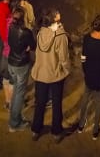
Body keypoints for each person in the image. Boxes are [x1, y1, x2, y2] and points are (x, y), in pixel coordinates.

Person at [31, 8, 72, 143]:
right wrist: (66, 70)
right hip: (55, 75)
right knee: (56, 103)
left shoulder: (41, 32)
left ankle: (36, 130)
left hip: (40, 73)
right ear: (55, 19)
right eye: (57, 14)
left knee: (40, 103)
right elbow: (64, 58)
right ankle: (56, 132)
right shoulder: (60, 36)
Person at [77, 14, 100, 140]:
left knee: (85, 98)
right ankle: (95, 130)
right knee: (98, 102)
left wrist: (85, 71)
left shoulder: (86, 38)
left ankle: (81, 125)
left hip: (89, 74)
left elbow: (83, 57)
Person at [7, 6, 36, 132]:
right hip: (21, 65)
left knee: (16, 92)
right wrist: (27, 49)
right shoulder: (25, 32)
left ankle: (15, 117)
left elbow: (10, 42)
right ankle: (14, 123)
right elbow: (33, 46)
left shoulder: (11, 28)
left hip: (11, 62)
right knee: (19, 94)